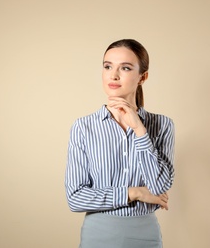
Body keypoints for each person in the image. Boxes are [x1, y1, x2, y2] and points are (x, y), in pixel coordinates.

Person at [65, 39, 175, 248]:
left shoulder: (162, 125)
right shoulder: (83, 127)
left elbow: (160, 186)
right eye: (108, 66)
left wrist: (139, 130)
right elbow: (75, 198)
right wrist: (134, 192)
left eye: (125, 68)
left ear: (143, 77)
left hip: (146, 236)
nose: (113, 75)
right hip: (98, 235)